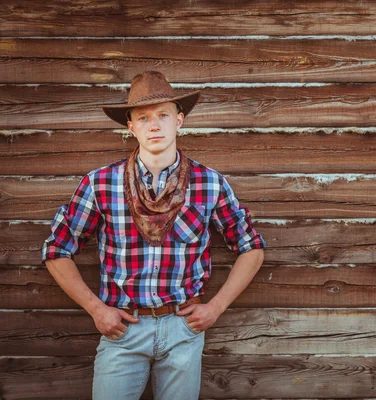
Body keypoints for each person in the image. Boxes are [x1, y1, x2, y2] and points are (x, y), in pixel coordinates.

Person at [42, 70, 266, 399]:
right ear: (130, 126)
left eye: (163, 115)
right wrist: (96, 309)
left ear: (179, 120)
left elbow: (252, 248)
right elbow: (57, 249)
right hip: (123, 329)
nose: (154, 125)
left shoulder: (209, 183)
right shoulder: (101, 183)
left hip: (182, 329)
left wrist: (215, 308)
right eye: (144, 117)